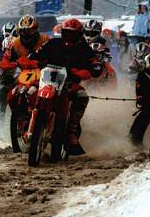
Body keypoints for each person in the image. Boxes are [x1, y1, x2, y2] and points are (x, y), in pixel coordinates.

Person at [29, 18, 104, 156]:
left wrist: (84, 71)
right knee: (28, 90)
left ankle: (71, 132)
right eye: (67, 33)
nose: (69, 37)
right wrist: (35, 58)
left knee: (82, 97)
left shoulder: (84, 47)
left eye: (73, 34)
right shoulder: (53, 43)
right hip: (47, 79)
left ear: (79, 34)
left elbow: (95, 64)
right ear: (62, 32)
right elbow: (37, 54)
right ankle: (25, 120)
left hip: (69, 81)